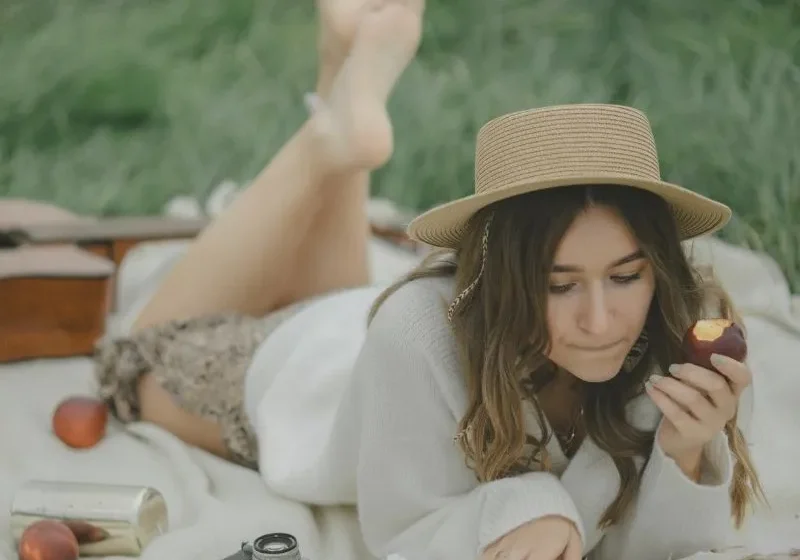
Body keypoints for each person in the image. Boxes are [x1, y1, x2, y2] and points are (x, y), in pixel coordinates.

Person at [93, 1, 765, 559]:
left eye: (624, 276)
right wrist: (527, 503)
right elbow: (401, 531)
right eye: (558, 285)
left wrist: (685, 451)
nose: (600, 321)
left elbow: (651, 549)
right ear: (503, 278)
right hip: (304, 373)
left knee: (334, 296)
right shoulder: (415, 333)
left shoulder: (677, 342)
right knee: (130, 363)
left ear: (658, 266)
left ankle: (341, 76)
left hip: (360, 332)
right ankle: (330, 140)